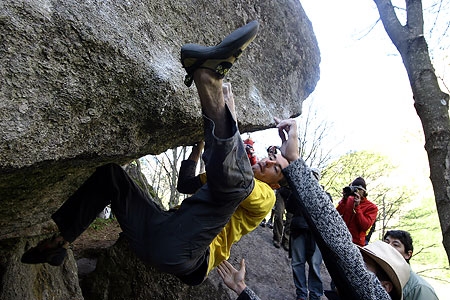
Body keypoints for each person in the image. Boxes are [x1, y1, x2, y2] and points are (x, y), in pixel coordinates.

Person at [21, 20, 293, 286]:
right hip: (159, 233)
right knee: (111, 176)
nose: (269, 160)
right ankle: (60, 242)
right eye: (272, 157)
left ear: (277, 183)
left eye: (276, 166)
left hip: (189, 254)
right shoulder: (228, 180)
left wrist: (230, 115)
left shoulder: (266, 198)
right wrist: (197, 150)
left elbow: (238, 185)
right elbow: (185, 184)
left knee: (232, 185)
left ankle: (207, 79)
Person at [274, 117, 405, 299]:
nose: (355, 268)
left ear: (384, 287)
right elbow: (335, 217)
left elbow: (358, 228)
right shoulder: (348, 201)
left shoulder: (370, 207)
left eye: (364, 266)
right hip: (329, 238)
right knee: (303, 263)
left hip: (353, 242)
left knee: (316, 264)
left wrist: (295, 161)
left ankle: (314, 294)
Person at [286, 168, 324, 300]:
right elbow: (289, 208)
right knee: (297, 263)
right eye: (309, 175)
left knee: (314, 264)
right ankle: (301, 294)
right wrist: (294, 191)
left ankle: (315, 295)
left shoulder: (324, 195)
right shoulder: (297, 191)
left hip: (316, 236)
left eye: (314, 176)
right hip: (298, 231)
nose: (311, 178)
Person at [384, 230, 439, 300]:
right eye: (386, 242)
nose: (388, 247)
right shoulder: (373, 275)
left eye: (395, 245)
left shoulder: (420, 288)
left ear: (408, 254)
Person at [336, 177, 378, 247]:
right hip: (341, 239)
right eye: (354, 188)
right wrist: (344, 200)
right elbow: (335, 216)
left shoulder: (372, 207)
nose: (356, 191)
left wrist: (357, 207)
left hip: (356, 244)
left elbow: (365, 226)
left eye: (359, 189)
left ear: (364, 191)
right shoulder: (348, 201)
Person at [272, 183, 292, 250]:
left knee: (290, 220)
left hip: (293, 195)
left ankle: (286, 240)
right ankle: (277, 238)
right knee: (279, 214)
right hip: (282, 191)